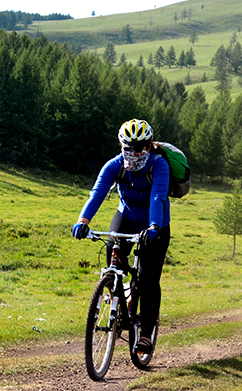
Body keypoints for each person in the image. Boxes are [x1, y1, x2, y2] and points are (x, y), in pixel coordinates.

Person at [71, 118, 172, 354]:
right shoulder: (114, 165)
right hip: (125, 216)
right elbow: (97, 193)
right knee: (112, 259)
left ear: (148, 147)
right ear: (121, 147)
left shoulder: (159, 165)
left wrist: (155, 226)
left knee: (148, 279)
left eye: (137, 148)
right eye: (127, 148)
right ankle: (118, 295)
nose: (132, 153)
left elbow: (158, 197)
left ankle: (146, 333)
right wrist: (82, 221)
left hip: (154, 225)